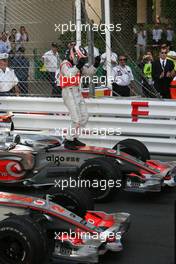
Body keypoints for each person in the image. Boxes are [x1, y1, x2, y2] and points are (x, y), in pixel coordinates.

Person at [59, 44, 100, 150]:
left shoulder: (78, 65)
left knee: (84, 117)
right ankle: (68, 140)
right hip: (68, 91)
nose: (80, 59)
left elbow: (88, 72)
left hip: (77, 91)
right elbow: (68, 75)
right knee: (76, 119)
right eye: (78, 57)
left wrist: (96, 64)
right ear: (73, 55)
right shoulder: (65, 64)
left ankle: (74, 138)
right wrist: (78, 66)